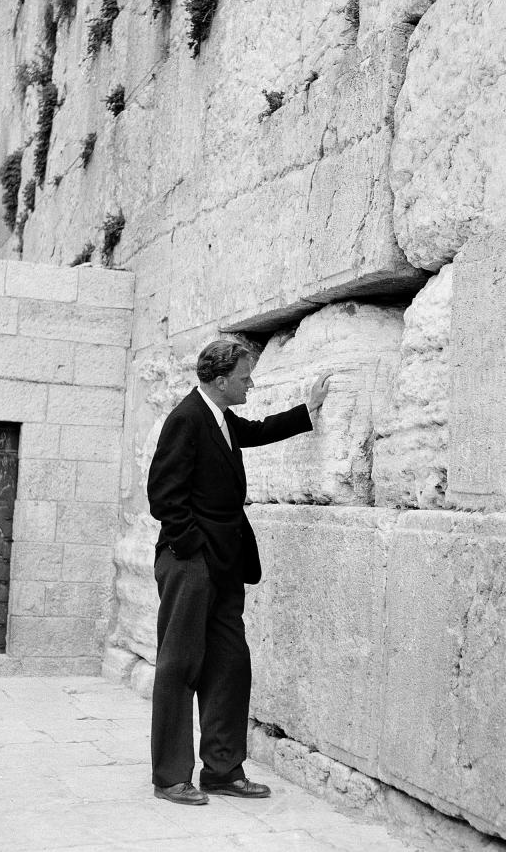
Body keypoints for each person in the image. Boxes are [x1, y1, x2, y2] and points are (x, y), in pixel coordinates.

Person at [147, 339, 331, 805]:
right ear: (221, 379)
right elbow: (163, 497)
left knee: (230, 665)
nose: (252, 383)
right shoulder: (185, 419)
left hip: (224, 566)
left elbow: (253, 431)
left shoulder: (221, 417)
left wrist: (305, 411)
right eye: (246, 378)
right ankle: (170, 777)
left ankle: (223, 770)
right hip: (191, 563)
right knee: (179, 666)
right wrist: (195, 550)